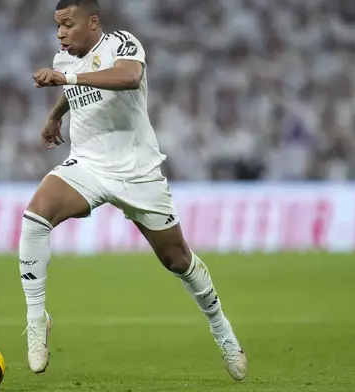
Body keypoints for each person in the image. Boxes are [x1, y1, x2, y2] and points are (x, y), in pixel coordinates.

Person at [20, 0, 247, 381]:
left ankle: (223, 331)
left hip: (138, 171)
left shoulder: (122, 43)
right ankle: (36, 320)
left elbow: (127, 77)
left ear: (92, 22)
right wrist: (55, 115)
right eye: (57, 26)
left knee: (178, 260)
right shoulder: (64, 60)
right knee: (35, 216)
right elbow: (72, 84)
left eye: (68, 24)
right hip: (89, 165)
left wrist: (68, 81)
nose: (60, 33)